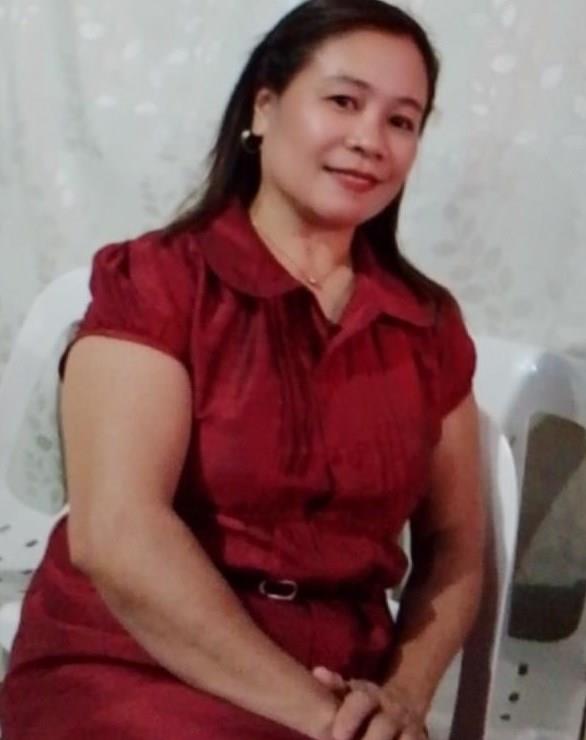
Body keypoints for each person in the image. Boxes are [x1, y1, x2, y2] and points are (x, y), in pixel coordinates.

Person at [0, 1, 486, 738]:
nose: (369, 140)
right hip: (136, 661)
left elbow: (456, 548)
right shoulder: (158, 281)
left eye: (401, 120)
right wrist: (320, 718)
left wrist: (402, 700)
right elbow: (116, 533)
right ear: (263, 107)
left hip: (341, 678)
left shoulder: (429, 324)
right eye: (343, 102)